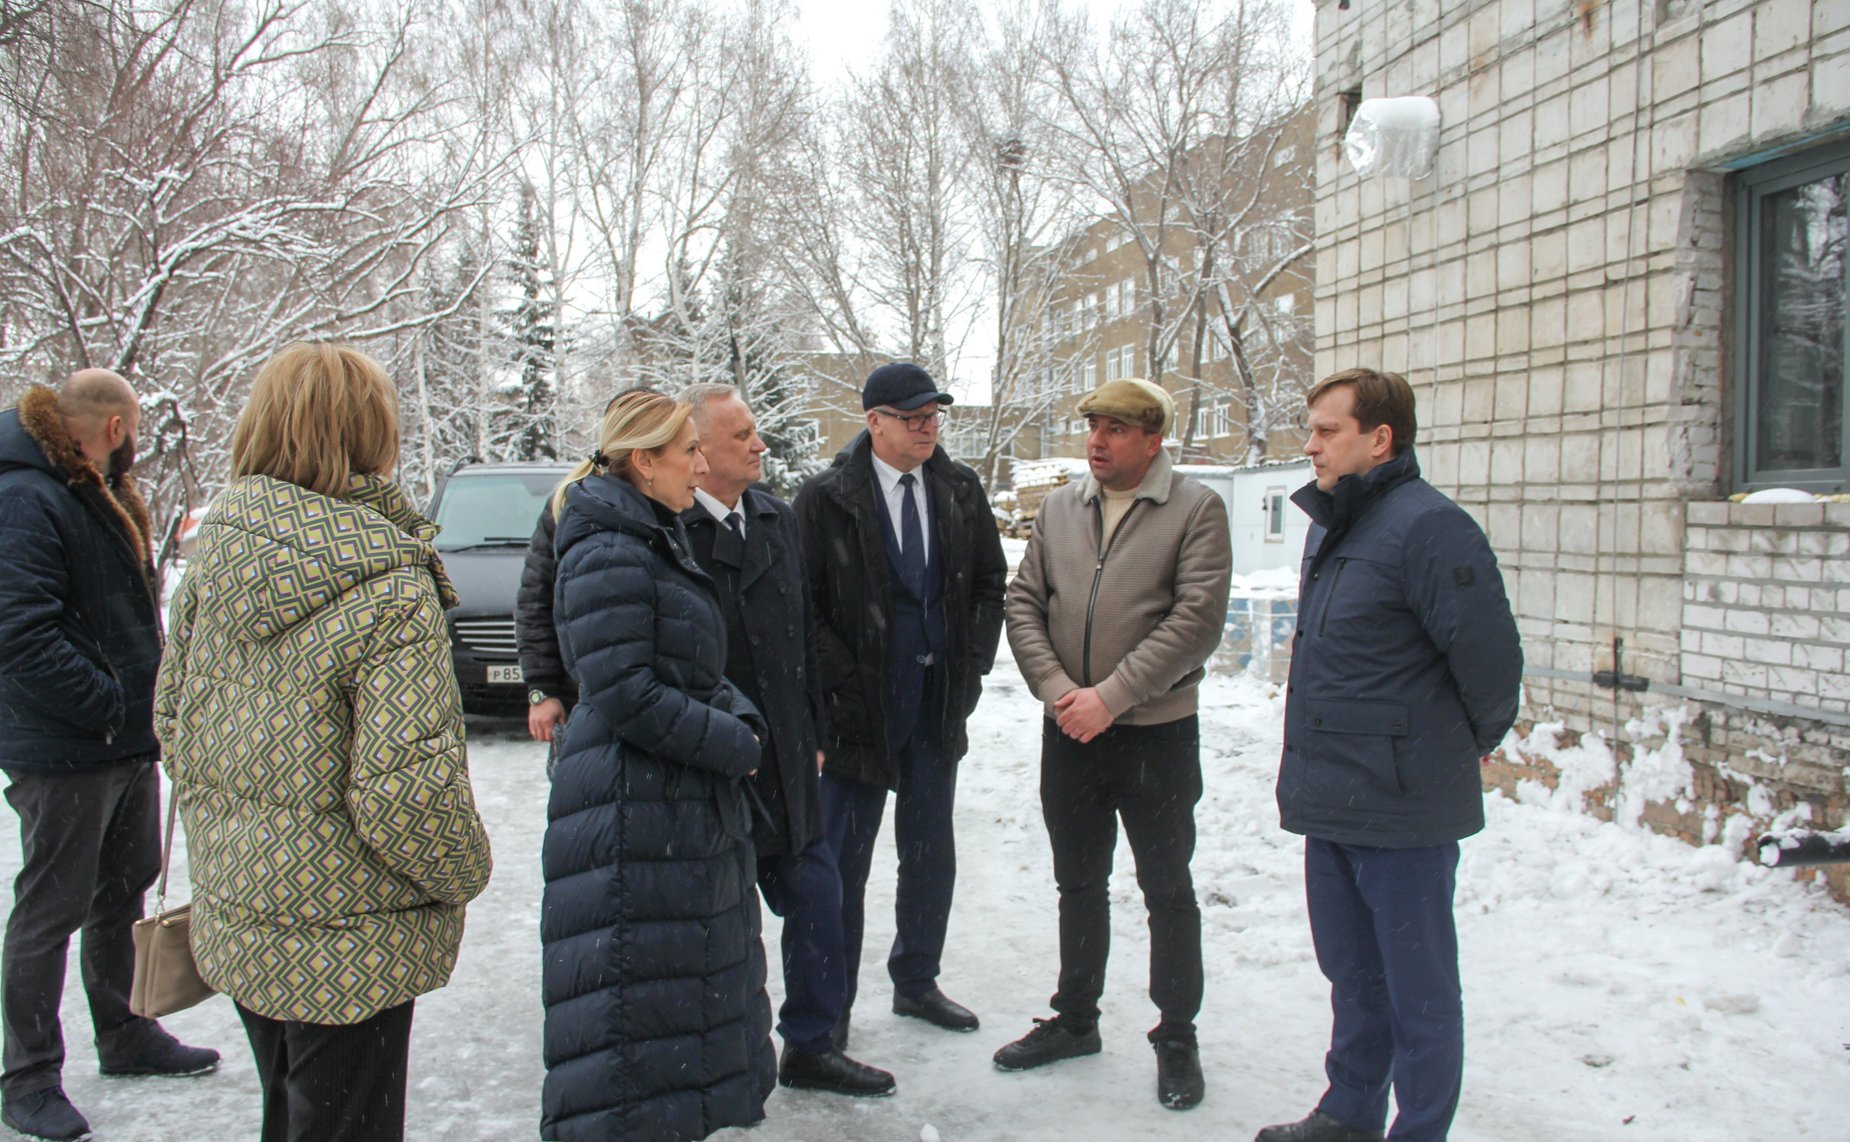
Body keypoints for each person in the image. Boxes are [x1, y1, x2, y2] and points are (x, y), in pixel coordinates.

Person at [153, 343, 493, 1142]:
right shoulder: (389, 580)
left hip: (243, 908)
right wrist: (465, 869)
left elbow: (173, 724)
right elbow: (405, 790)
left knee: (293, 1114)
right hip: (353, 936)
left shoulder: (217, 556)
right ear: (369, 434)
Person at [1254, 369, 1521, 1142]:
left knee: (1420, 994)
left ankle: (1420, 1131)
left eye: (1326, 430)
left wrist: (1451, 749)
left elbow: (1491, 666)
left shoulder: (1431, 528)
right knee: (1355, 980)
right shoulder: (1334, 523)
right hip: (1332, 799)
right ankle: (1350, 1112)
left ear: (1380, 438)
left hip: (1403, 812)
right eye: (1310, 429)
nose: (1310, 445)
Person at [539, 390, 775, 1141]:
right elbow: (623, 692)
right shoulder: (608, 546)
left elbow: (689, 669)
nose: (700, 465)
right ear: (644, 461)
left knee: (674, 1029)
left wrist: (735, 712)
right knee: (635, 1047)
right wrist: (732, 741)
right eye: (687, 453)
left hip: (665, 816)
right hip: (631, 824)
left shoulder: (650, 533)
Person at [996, 378, 1231, 1111]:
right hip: (1069, 730)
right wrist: (1058, 690)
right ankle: (1075, 1019)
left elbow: (1196, 621)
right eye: (1092, 425)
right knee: (1078, 881)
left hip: (1155, 737)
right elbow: (1024, 601)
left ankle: (1178, 1034)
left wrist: (1113, 697)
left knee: (1167, 888)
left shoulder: (1196, 509)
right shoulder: (1063, 507)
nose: (1096, 440)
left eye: (1116, 429)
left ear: (1154, 439)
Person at [0, 370, 222, 1142]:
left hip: (122, 739)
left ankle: (125, 1033)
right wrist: (104, 704)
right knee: (50, 908)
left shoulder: (84, 489)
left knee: (122, 890)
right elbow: (19, 632)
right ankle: (25, 1079)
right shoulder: (29, 496)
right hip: (66, 747)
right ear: (118, 427)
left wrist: (137, 712)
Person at [674, 384, 895, 1097]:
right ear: (697, 452)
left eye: (755, 432)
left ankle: (812, 1042)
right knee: (721, 924)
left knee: (819, 901)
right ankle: (720, 1059)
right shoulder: (669, 529)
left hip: (793, 756)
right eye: (741, 435)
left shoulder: (773, 516)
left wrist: (819, 730)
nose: (759, 444)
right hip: (717, 761)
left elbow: (803, 629)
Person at [794, 362, 1007, 1045]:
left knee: (929, 853)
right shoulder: (826, 499)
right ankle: (832, 1009)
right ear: (873, 421)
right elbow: (805, 608)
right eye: (913, 415)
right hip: (859, 718)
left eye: (934, 414)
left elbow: (987, 586)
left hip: (935, 711)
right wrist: (842, 686)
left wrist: (968, 668)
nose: (927, 426)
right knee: (841, 867)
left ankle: (917, 981)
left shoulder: (960, 489)